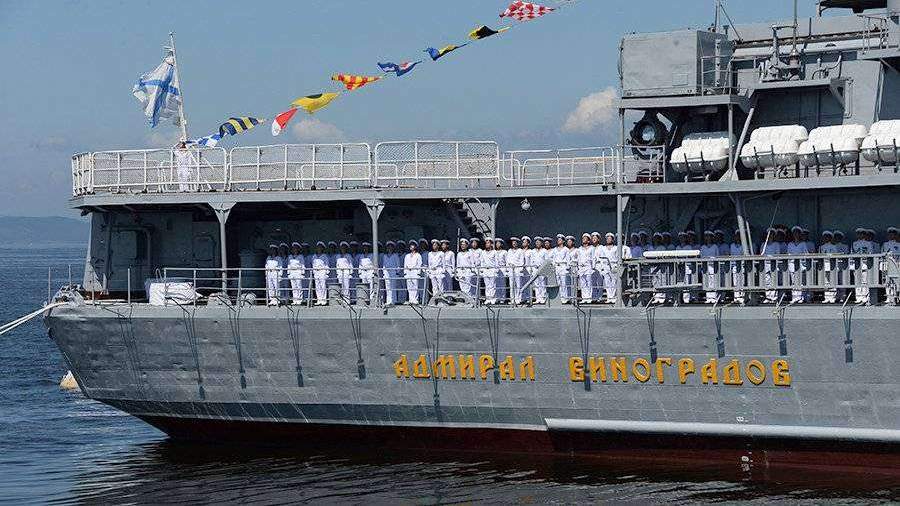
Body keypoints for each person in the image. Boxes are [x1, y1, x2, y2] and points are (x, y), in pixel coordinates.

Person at [852, 227, 876, 304]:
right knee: (857, 281)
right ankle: (858, 296)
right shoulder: (854, 243)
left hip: (865, 264)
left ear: (864, 235)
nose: (859, 235)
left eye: (861, 234)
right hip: (857, 264)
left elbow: (871, 253)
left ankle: (865, 297)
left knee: (865, 281)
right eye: (858, 234)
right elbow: (852, 253)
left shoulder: (868, 243)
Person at [819, 231, 840, 303]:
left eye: (827, 237)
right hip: (824, 266)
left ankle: (832, 297)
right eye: (824, 237)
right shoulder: (821, 247)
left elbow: (836, 256)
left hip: (832, 266)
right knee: (826, 282)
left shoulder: (834, 246)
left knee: (832, 281)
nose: (825, 238)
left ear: (830, 238)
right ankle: (827, 297)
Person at [700, 231, 720, 304]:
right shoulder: (703, 247)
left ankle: (713, 297)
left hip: (713, 266)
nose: (708, 238)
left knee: (713, 281)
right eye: (706, 236)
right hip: (705, 266)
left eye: (709, 236)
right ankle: (708, 297)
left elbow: (717, 256)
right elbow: (701, 257)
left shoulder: (715, 246)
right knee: (707, 282)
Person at [762, 228, 782, 303]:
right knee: (767, 281)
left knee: (774, 281)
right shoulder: (763, 244)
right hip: (766, 265)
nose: (770, 235)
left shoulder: (776, 244)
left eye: (772, 234)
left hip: (774, 265)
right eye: (769, 234)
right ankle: (768, 296)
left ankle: (774, 297)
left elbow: (777, 254)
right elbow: (761, 255)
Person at [553, 234, 572, 303]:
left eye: (560, 240)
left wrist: (567, 268)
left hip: (563, 266)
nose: (558, 241)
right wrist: (553, 266)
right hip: (557, 267)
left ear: (563, 241)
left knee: (564, 283)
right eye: (558, 240)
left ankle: (565, 298)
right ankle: (560, 297)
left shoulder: (566, 249)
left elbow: (568, 259)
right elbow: (553, 259)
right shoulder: (555, 249)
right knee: (558, 283)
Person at [507, 237, 526, 304]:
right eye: (513, 243)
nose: (514, 244)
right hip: (511, 269)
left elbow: (522, 261)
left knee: (518, 285)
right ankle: (512, 299)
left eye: (515, 242)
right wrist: (508, 267)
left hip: (518, 269)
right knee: (511, 285)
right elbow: (507, 260)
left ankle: (518, 299)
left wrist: (520, 268)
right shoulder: (509, 251)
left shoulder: (520, 251)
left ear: (517, 243)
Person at [884, 227, 900, 305]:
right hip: (887, 264)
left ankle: (897, 297)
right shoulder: (885, 244)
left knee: (897, 282)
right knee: (888, 281)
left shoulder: (899, 244)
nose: (891, 236)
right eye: (889, 234)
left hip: (897, 265)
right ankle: (889, 297)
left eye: (893, 234)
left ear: (895, 235)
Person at [729, 230, 746, 304]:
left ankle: (742, 297)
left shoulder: (744, 245)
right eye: (736, 236)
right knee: (735, 282)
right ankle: (736, 297)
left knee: (742, 282)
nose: (737, 237)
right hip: (734, 265)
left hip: (741, 265)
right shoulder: (732, 245)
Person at [530, 236, 548, 304]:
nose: (537, 243)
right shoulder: (533, 251)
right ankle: (538, 298)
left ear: (541, 243)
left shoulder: (544, 251)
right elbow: (531, 261)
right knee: (536, 284)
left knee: (542, 284)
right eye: (536, 242)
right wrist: (532, 268)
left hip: (542, 268)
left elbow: (546, 261)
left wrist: (544, 268)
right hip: (535, 269)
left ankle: (543, 298)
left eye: (539, 242)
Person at [381, 241, 401, 306]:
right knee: (388, 287)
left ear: (393, 248)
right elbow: (384, 265)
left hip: (393, 272)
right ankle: (388, 301)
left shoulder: (395, 255)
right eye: (388, 247)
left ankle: (393, 301)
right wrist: (384, 273)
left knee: (393, 287)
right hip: (386, 272)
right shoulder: (385, 256)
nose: (389, 248)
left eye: (391, 247)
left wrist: (397, 273)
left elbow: (398, 265)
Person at [480, 238, 499, 304]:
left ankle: (493, 298)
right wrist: (482, 270)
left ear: (491, 244)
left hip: (492, 269)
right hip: (486, 270)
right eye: (486, 243)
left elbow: (497, 262)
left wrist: (496, 270)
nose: (487, 244)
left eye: (488, 243)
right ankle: (488, 298)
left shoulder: (494, 252)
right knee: (487, 285)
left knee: (492, 285)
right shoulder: (483, 252)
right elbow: (482, 261)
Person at [495, 238, 508, 303]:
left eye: (499, 243)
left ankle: (502, 298)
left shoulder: (504, 252)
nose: (497, 244)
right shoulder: (494, 252)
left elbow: (507, 261)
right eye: (496, 243)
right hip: (496, 269)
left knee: (502, 284)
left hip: (502, 268)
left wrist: (507, 270)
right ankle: (497, 297)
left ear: (501, 244)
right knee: (496, 284)